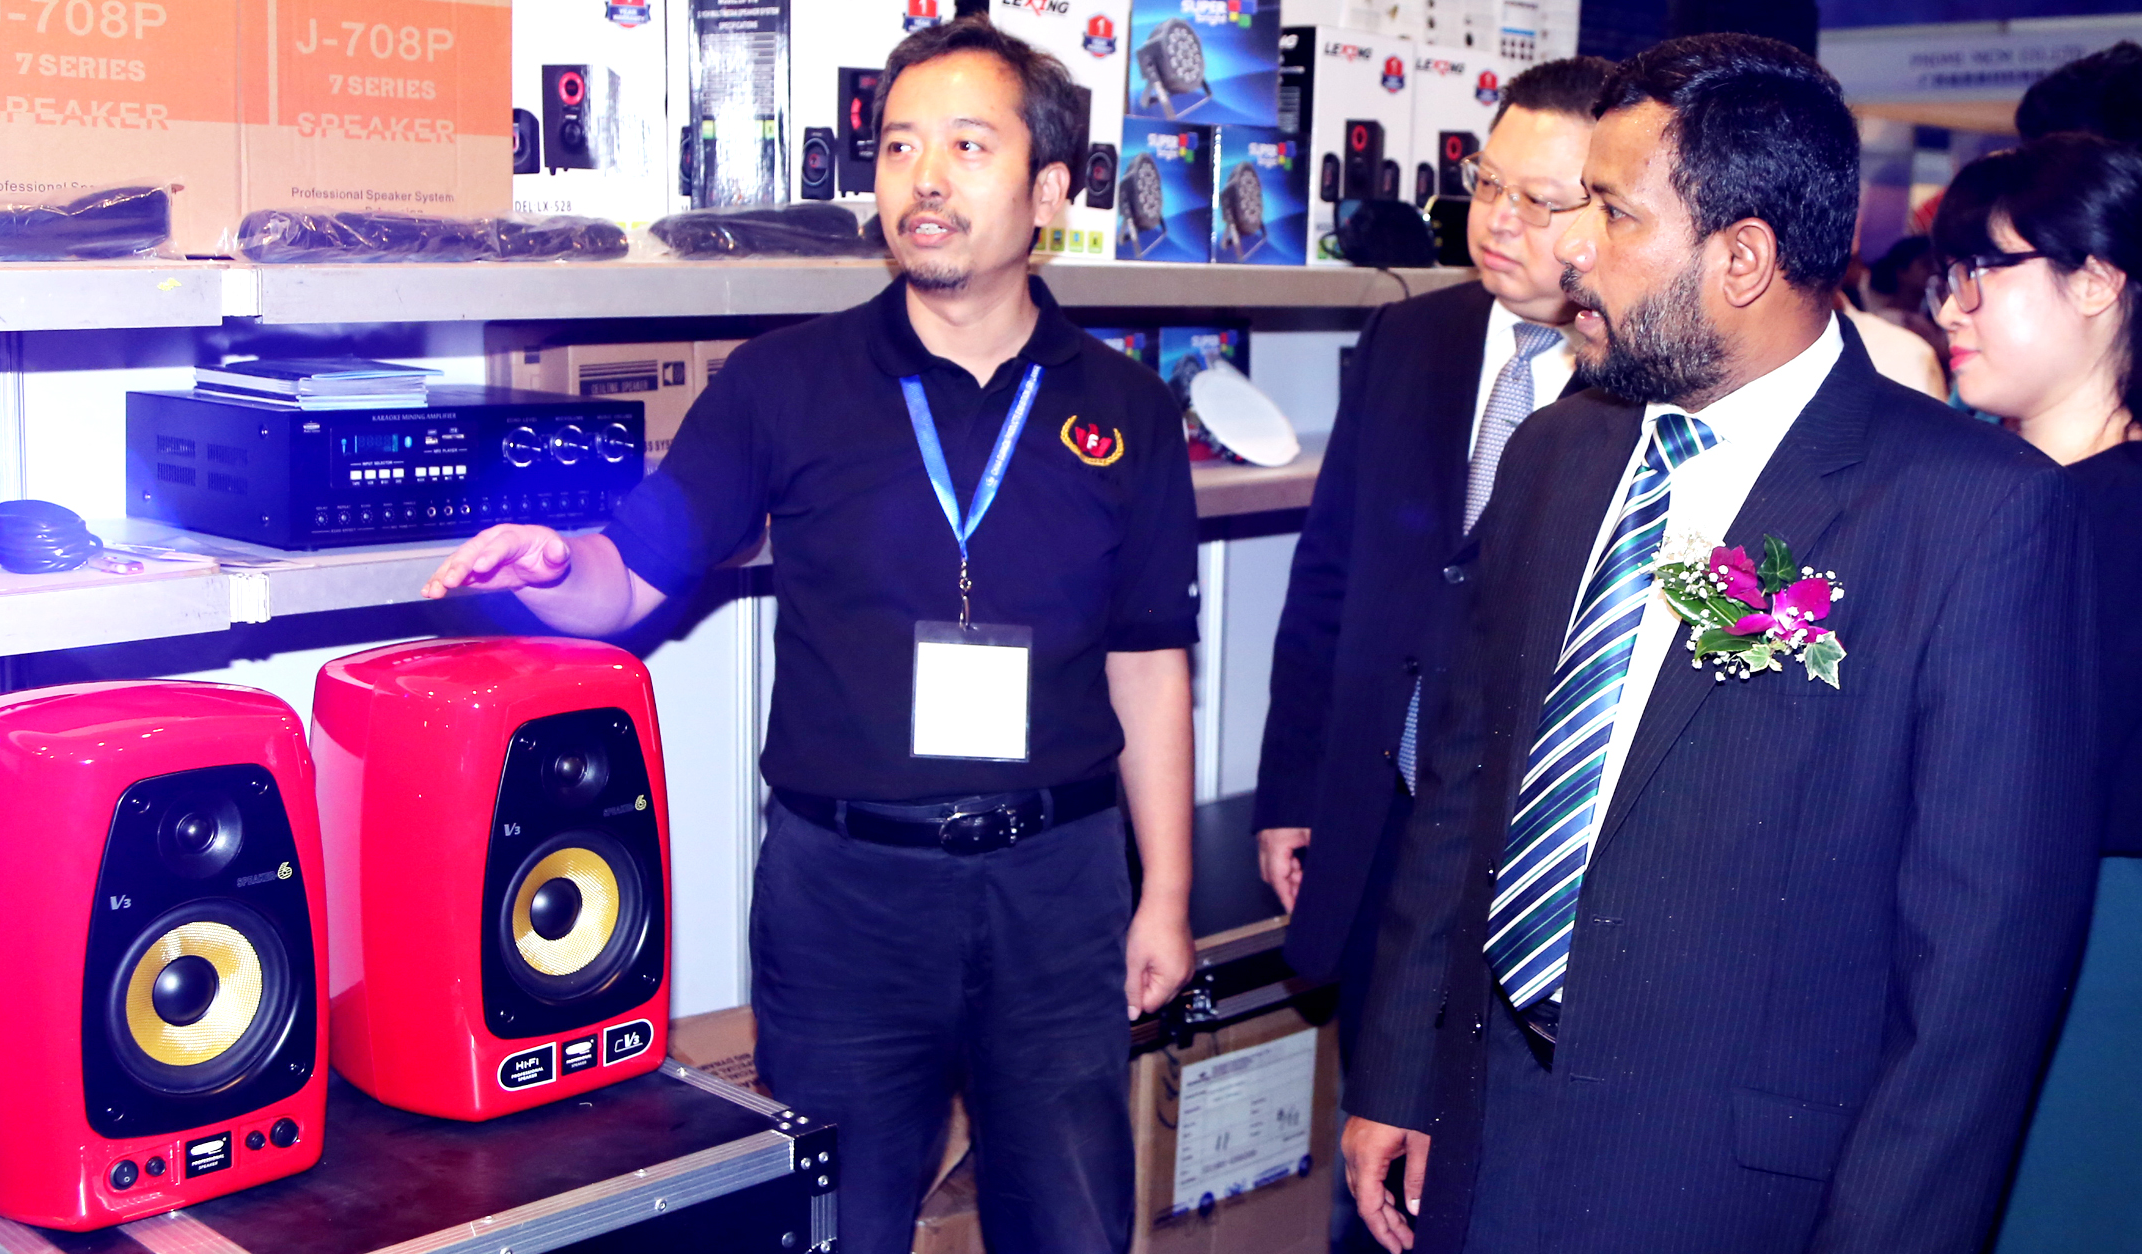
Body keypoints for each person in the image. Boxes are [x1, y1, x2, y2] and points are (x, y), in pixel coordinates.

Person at [421, 17, 1199, 1254]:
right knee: (835, 1227)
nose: (923, 179)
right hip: (845, 894)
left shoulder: (1126, 409)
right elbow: (633, 574)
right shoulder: (782, 382)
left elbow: (1149, 662)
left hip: (1058, 886)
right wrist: (555, 571)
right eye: (898, 147)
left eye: (966, 146)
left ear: (1050, 190)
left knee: (1071, 1225)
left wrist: (1164, 896)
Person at [1340, 34, 2098, 1254]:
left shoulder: (1968, 513)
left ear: (1740, 257)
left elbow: (1977, 968)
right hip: (1488, 1133)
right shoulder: (1553, 455)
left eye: (1612, 212)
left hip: (1737, 1184)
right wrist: (1398, 1067)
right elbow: (1464, 787)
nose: (1573, 249)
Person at [1248, 58, 1606, 1252]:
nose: (1496, 220)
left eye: (1540, 201)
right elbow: (1328, 582)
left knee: (1497, 1164)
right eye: (1485, 185)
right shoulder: (1409, 337)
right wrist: (1292, 791)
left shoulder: (1634, 379)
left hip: (1535, 836)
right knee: (1377, 1141)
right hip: (1385, 810)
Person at [1929, 132, 2142, 1254]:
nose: (1949, 308)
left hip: (2096, 957)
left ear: (2095, 282)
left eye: (1982, 271)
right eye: (1944, 275)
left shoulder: (2113, 514)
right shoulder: (1966, 485)